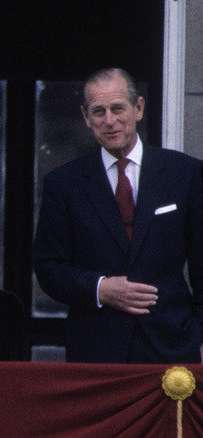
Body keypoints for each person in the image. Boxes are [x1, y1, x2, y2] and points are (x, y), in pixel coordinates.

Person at [33, 68, 203, 364]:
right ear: (86, 117)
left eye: (118, 108)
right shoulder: (64, 184)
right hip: (96, 351)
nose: (109, 121)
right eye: (99, 111)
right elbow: (48, 268)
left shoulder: (184, 173)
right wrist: (101, 288)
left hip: (174, 344)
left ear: (138, 108)